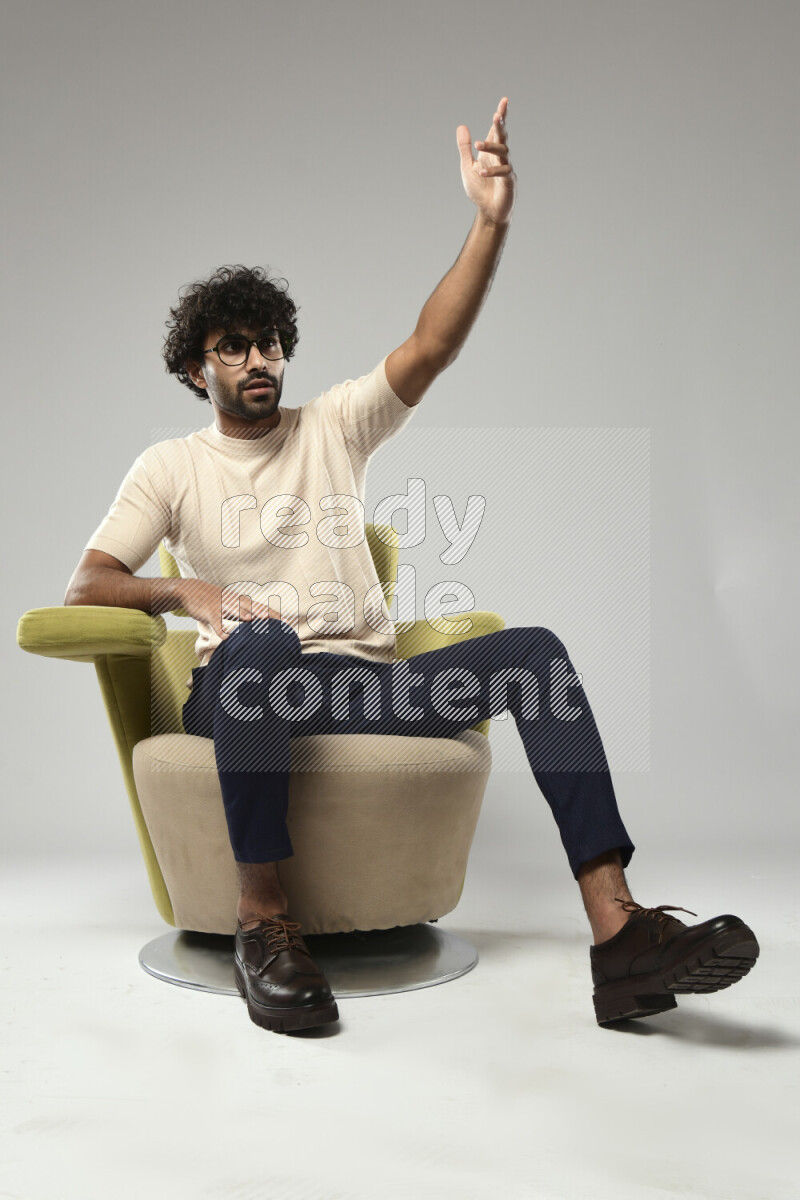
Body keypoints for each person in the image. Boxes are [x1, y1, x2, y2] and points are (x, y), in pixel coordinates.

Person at [65, 97, 759, 1035]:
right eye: (234, 348)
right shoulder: (170, 467)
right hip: (244, 686)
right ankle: (263, 927)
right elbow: (90, 583)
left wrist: (489, 222)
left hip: (359, 685)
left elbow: (432, 345)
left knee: (535, 656)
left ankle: (619, 934)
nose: (258, 360)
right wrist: (187, 590)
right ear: (199, 370)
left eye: (269, 343)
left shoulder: (333, 426)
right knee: (265, 646)